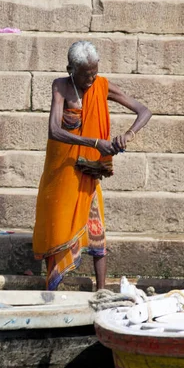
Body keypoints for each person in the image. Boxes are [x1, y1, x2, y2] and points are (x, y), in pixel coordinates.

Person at [33, 41, 152, 291]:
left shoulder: (102, 85)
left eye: (94, 73)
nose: (91, 79)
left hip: (88, 172)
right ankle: (52, 292)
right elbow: (54, 130)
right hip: (61, 174)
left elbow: (144, 111)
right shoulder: (61, 87)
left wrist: (127, 135)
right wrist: (95, 142)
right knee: (57, 229)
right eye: (86, 75)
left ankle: (101, 291)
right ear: (70, 69)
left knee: (97, 232)